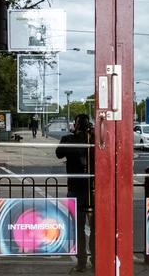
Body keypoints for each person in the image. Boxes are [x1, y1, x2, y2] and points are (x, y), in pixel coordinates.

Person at [56, 114, 95, 272]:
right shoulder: (94, 140)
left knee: (78, 229)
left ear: (76, 125)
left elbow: (59, 153)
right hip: (92, 190)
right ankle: (96, 259)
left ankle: (81, 263)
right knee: (95, 229)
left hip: (75, 189)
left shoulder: (68, 139)